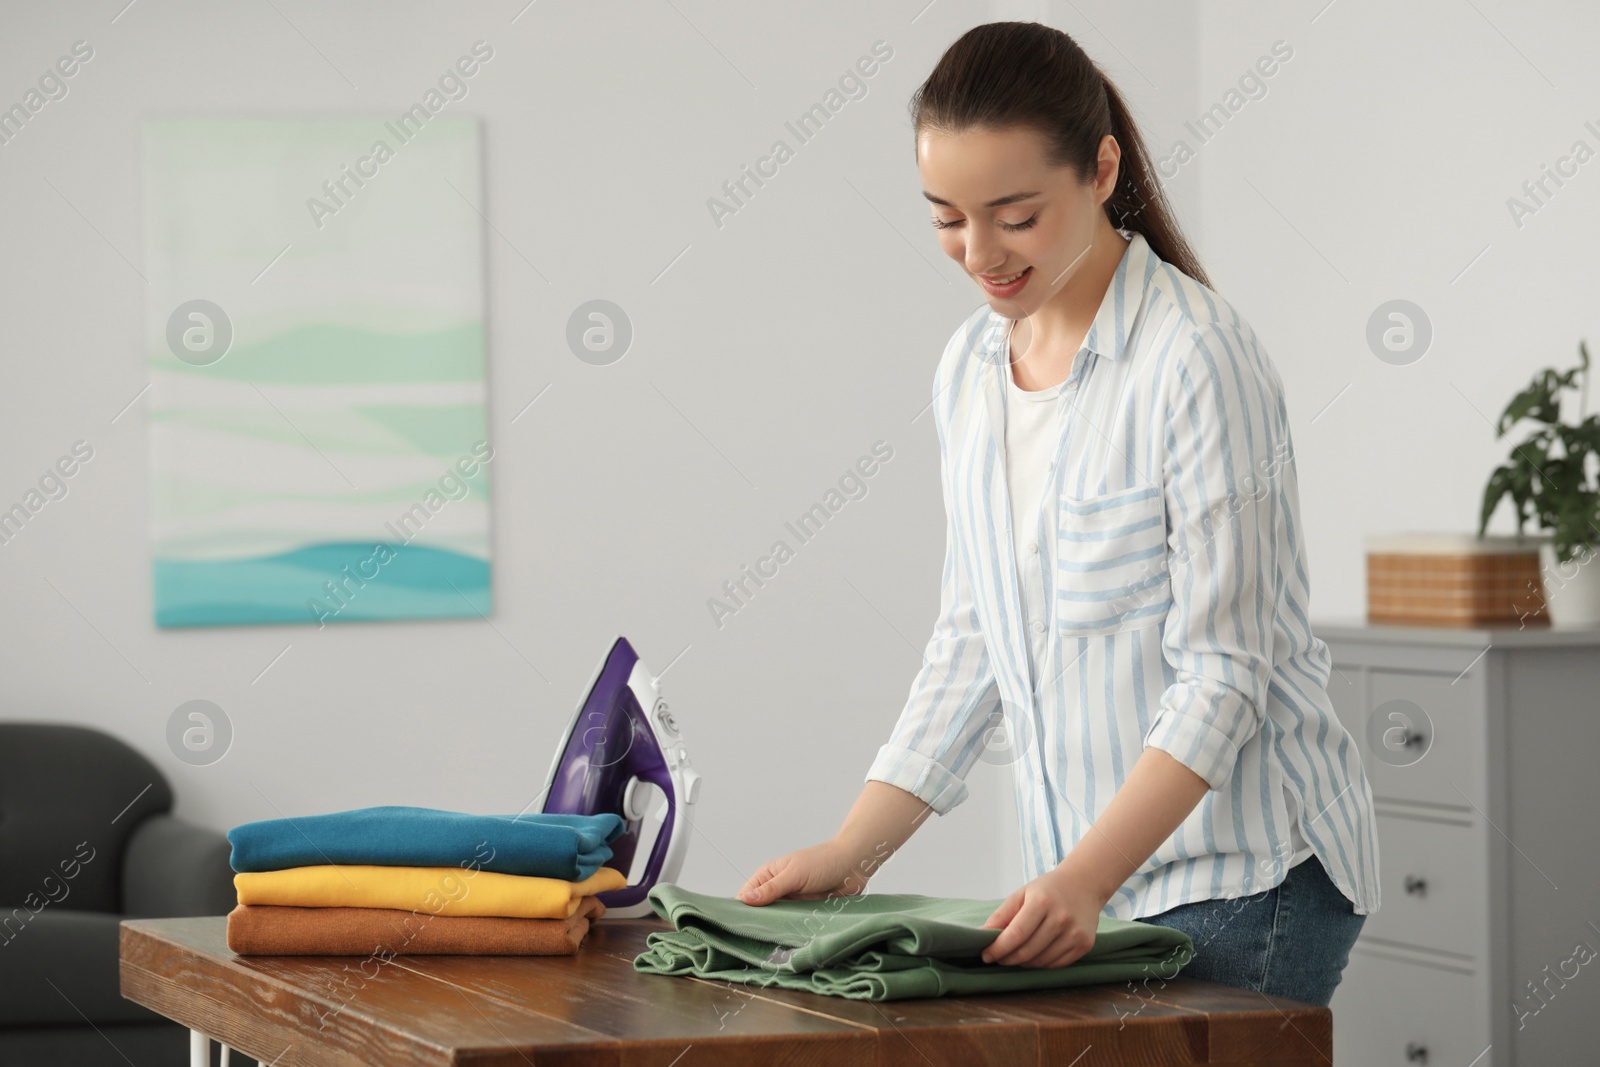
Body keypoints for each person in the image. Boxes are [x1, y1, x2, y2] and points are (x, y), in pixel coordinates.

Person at [735, 21, 1380, 1007]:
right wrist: (850, 851)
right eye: (946, 217)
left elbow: (1225, 672)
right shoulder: (969, 371)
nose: (978, 252)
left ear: (1099, 170)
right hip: (1087, 886)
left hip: (1242, 874)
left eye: (1013, 214)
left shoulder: (1196, 361)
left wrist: (1085, 877)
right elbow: (970, 639)